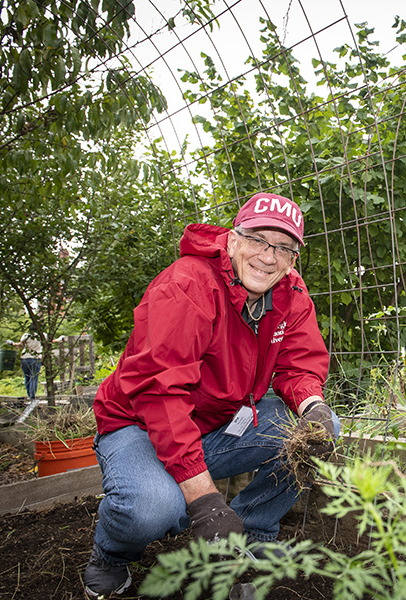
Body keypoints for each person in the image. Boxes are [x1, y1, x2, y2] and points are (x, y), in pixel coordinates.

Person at [83, 193, 339, 599]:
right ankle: (110, 556)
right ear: (233, 239)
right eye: (258, 239)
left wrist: (314, 407)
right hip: (140, 426)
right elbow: (161, 393)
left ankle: (250, 537)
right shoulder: (187, 284)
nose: (269, 257)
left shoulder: (290, 292)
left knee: (311, 431)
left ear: (293, 258)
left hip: (214, 425)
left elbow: (299, 365)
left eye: (284, 248)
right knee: (152, 508)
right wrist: (204, 501)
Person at [11, 330, 43, 400]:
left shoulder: (26, 335)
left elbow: (20, 345)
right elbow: (51, 341)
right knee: (34, 378)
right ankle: (32, 396)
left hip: (24, 358)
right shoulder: (42, 335)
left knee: (27, 377)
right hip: (35, 358)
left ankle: (29, 394)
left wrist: (12, 343)